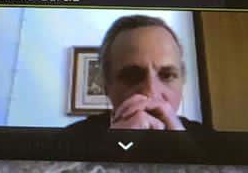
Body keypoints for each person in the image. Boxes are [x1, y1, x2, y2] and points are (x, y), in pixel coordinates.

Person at [58, 14, 207, 148]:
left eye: (167, 75)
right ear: (106, 85)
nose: (150, 93)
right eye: (131, 76)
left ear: (182, 80)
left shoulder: (209, 142)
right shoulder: (67, 143)